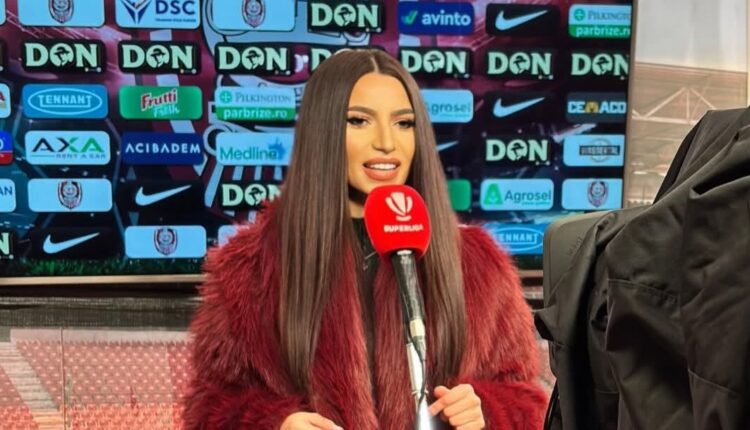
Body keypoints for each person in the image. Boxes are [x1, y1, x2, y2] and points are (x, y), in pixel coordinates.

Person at [183, 50, 547, 430]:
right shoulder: (248, 270)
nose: (387, 142)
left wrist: (487, 411)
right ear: (322, 130)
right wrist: (275, 424)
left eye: (404, 123)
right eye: (359, 121)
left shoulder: (478, 264)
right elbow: (209, 409)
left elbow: (526, 400)